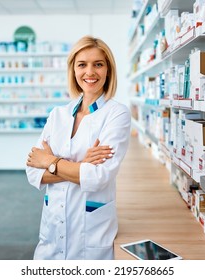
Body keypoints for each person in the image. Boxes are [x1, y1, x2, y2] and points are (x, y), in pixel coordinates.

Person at [25, 35, 131, 260]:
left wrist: (50, 161)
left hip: (90, 237)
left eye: (98, 64)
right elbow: (33, 170)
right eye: (82, 64)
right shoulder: (58, 115)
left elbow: (98, 176)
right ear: (73, 70)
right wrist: (80, 166)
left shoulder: (116, 114)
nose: (90, 72)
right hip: (51, 233)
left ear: (108, 70)